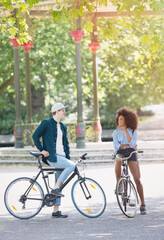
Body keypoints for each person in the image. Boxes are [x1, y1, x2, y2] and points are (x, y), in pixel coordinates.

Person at [32, 102, 75, 218]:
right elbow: (35, 136)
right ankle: (55, 189)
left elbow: (66, 144)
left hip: (62, 157)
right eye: (63, 110)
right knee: (72, 166)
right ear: (56, 111)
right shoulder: (46, 123)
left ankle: (56, 211)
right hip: (52, 157)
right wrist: (41, 150)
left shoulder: (63, 126)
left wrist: (67, 158)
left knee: (59, 181)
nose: (64, 112)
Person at [113, 107, 146, 215]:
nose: (119, 121)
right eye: (118, 119)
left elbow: (132, 145)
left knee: (137, 180)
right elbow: (117, 146)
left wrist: (126, 133)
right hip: (121, 152)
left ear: (127, 120)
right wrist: (127, 144)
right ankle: (119, 184)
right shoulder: (116, 132)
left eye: (121, 119)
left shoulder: (133, 131)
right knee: (118, 159)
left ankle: (143, 204)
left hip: (131, 153)